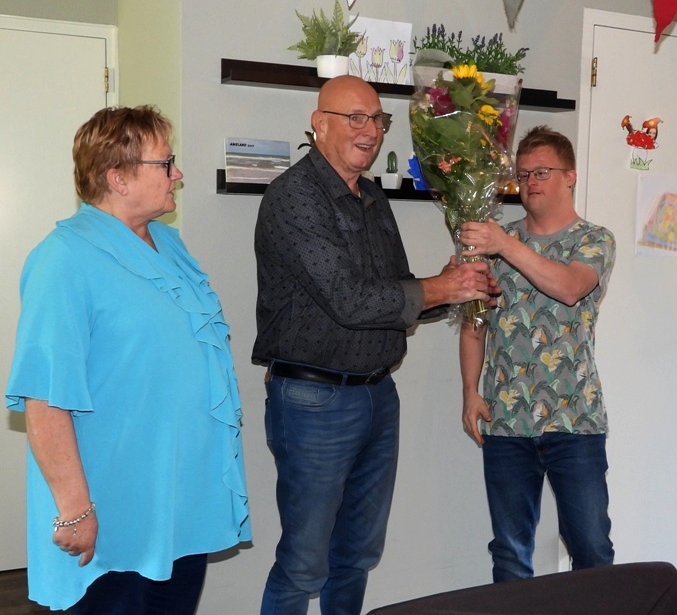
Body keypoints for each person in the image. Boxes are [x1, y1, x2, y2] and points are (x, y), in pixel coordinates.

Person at [253, 75, 494, 615]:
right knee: (303, 563)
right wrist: (442, 288)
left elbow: (394, 292)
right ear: (319, 124)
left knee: (357, 554)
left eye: (379, 120)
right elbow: (349, 300)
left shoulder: (373, 197)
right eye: (355, 118)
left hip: (378, 396)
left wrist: (455, 285)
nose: (371, 131)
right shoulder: (294, 196)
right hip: (314, 402)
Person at [4, 106, 251, 614]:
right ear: (118, 177)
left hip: (178, 496)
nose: (178, 174)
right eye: (166, 163)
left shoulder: (168, 243)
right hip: (113, 501)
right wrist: (75, 509)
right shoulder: (64, 258)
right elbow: (44, 399)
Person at [458, 125, 616, 582]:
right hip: (506, 421)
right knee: (510, 553)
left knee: (592, 548)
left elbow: (569, 287)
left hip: (575, 420)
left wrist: (504, 245)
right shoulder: (495, 242)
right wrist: (470, 392)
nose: (530, 182)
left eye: (542, 172)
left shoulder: (593, 239)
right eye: (523, 174)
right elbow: (474, 324)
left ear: (570, 176)